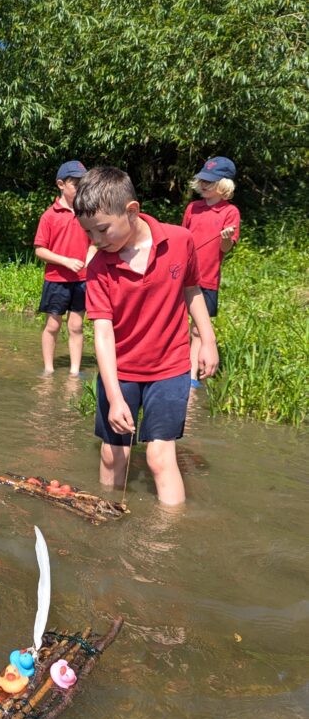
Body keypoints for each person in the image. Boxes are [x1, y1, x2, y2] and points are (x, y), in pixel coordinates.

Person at [73, 166, 218, 506]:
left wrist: (208, 339)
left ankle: (168, 542)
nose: (96, 240)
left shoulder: (179, 241)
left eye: (103, 229)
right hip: (119, 373)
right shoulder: (98, 269)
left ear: (132, 211)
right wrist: (114, 397)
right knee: (113, 455)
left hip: (169, 368)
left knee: (159, 457)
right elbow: (103, 334)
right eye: (88, 233)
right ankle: (104, 517)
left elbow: (191, 289)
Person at [182, 156, 240, 387]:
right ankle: (172, 367)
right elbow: (182, 238)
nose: (204, 184)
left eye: (211, 181)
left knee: (198, 328)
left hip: (207, 278)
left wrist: (225, 239)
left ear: (224, 184)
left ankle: (192, 375)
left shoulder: (230, 212)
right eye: (203, 179)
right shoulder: (192, 208)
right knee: (175, 323)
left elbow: (227, 248)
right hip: (183, 274)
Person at [33, 160, 94, 375]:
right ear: (61, 184)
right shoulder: (49, 216)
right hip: (56, 280)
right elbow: (40, 250)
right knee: (53, 326)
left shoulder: (87, 214)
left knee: (76, 327)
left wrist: (90, 258)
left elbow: (94, 243)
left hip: (82, 280)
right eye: (75, 184)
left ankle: (75, 372)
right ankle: (49, 370)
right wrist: (66, 261)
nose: (80, 190)